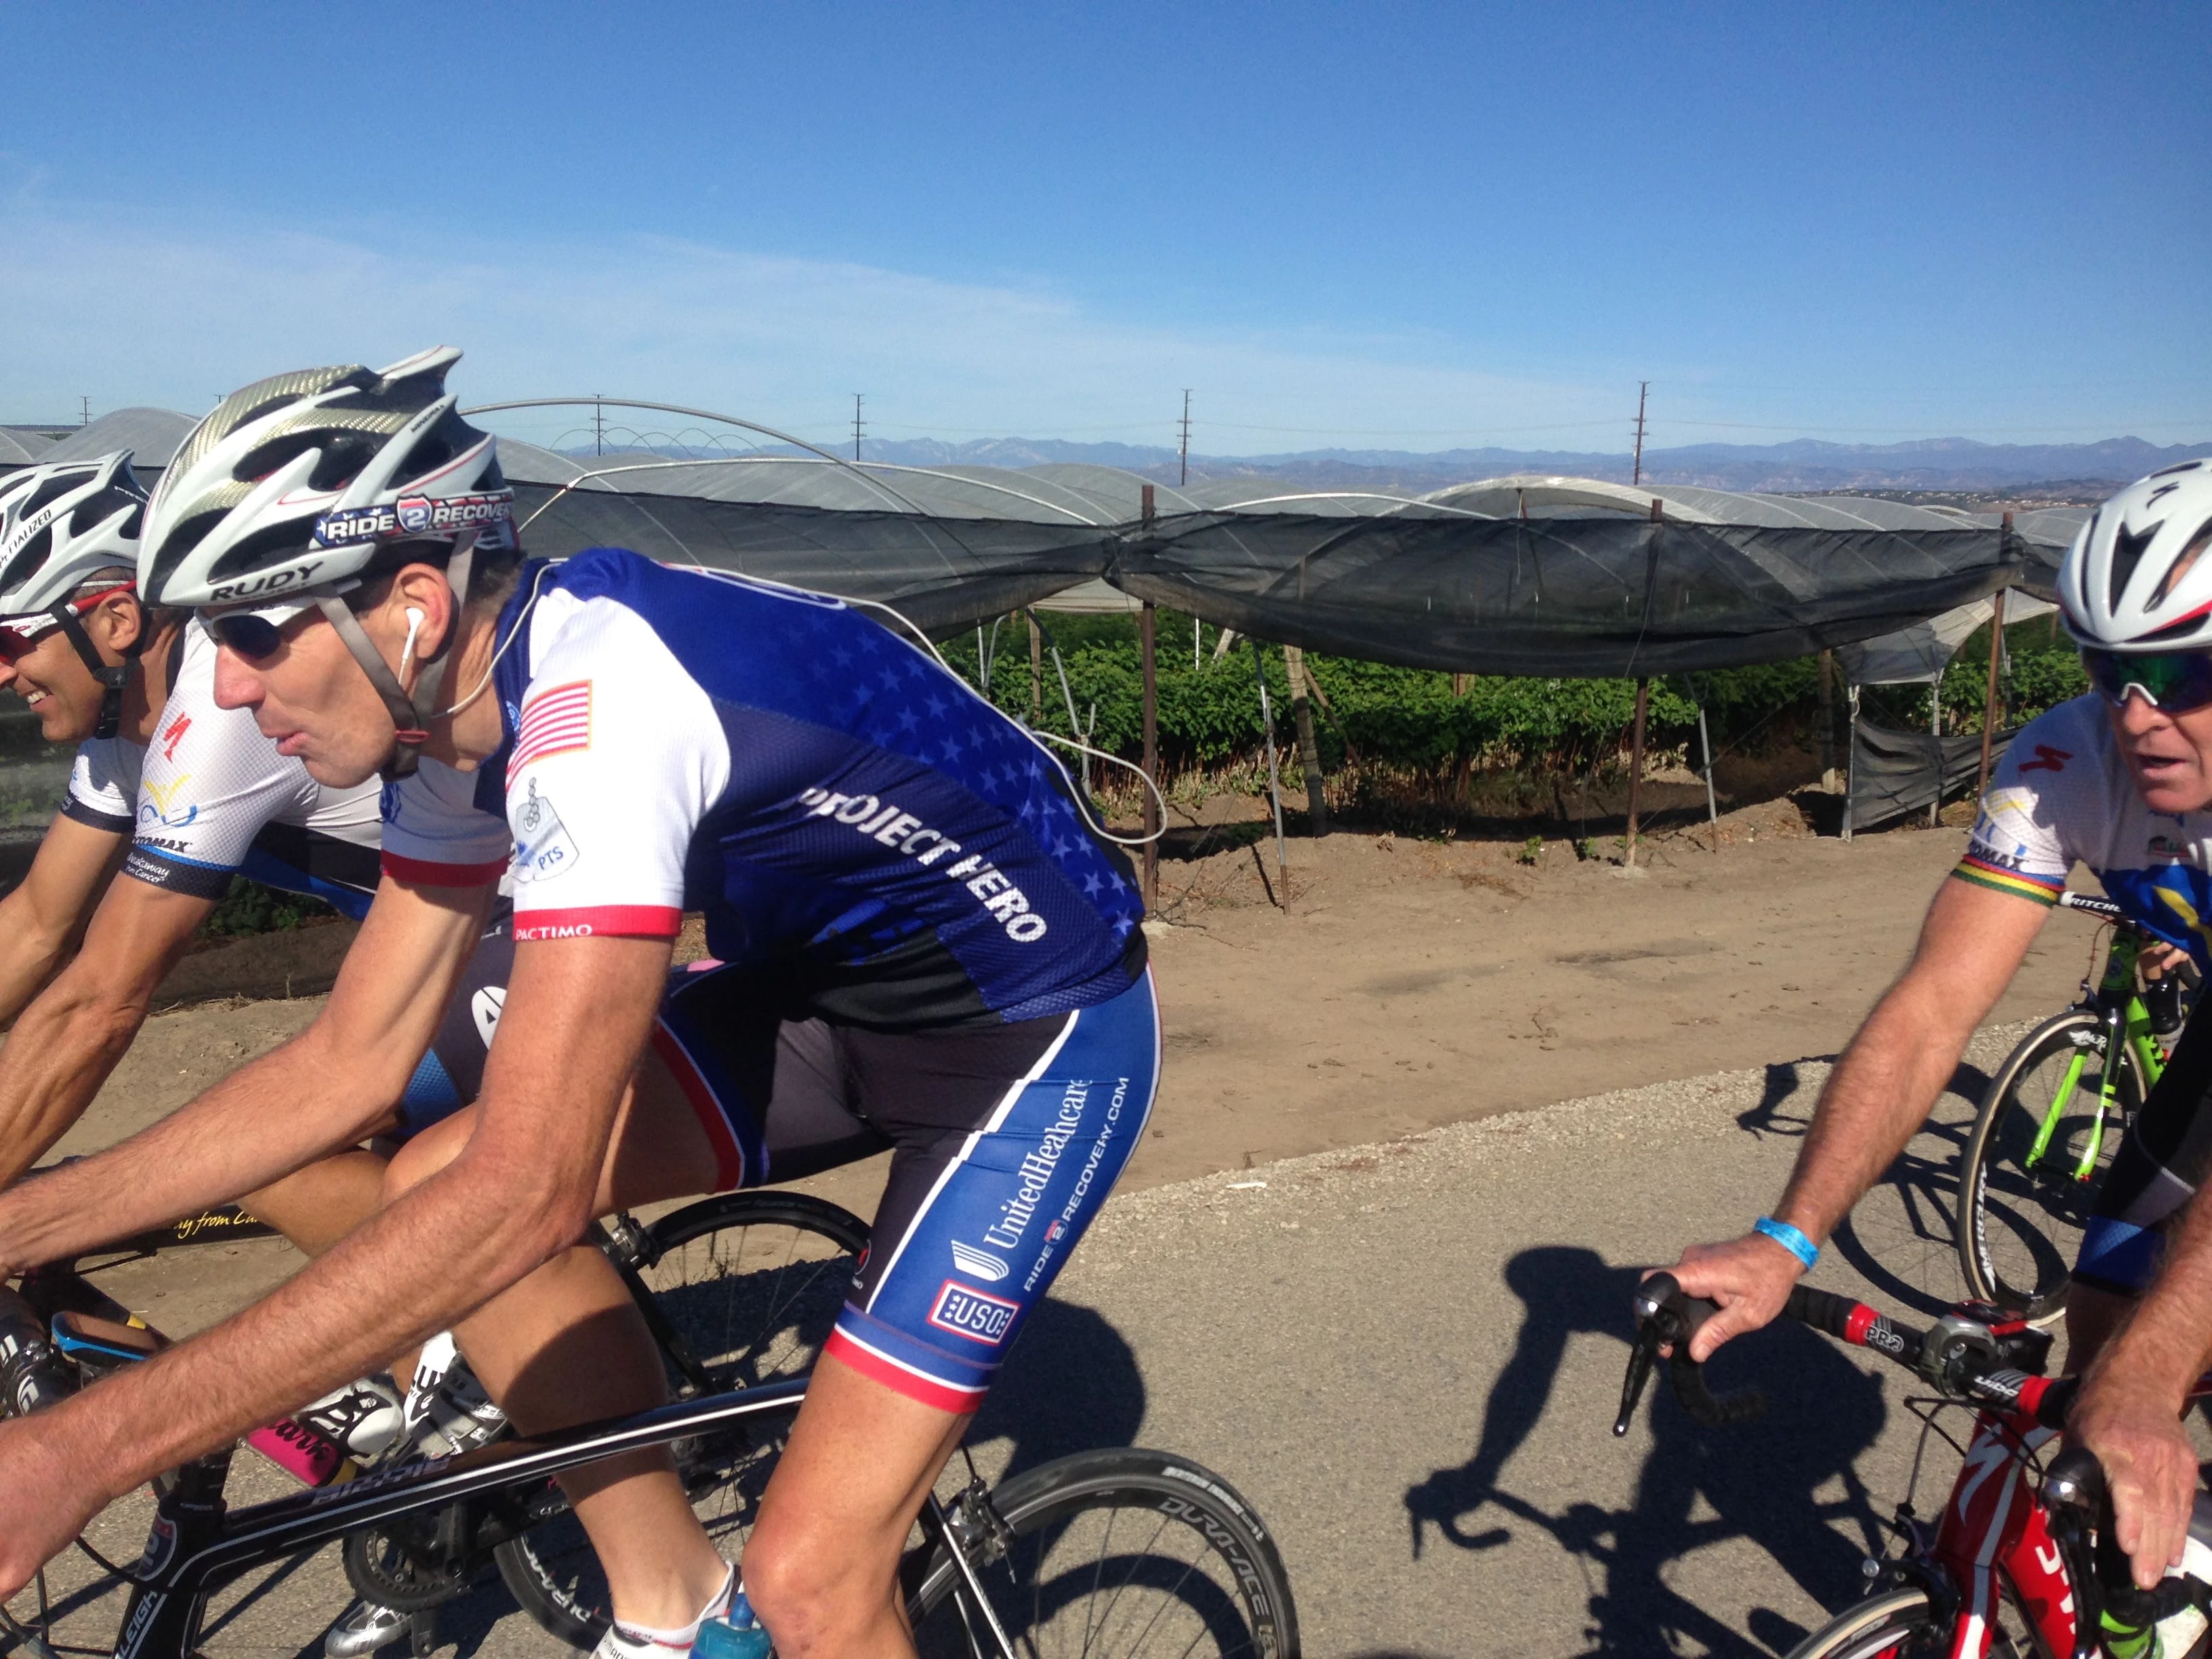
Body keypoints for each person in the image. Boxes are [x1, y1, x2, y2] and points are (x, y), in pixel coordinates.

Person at [0, 348, 1158, 1659]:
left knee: (819, 1581)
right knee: (427, 1169)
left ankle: (754, 1601)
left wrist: (79, 1451)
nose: (226, 687)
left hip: (1031, 1039)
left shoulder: (600, 713)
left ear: (415, 607)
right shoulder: (451, 730)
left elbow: (529, 1193)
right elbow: (348, 1064)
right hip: (824, 999)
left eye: (255, 634)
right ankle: (672, 1609)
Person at [1656, 459, 2212, 1592]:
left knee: (2154, 1367)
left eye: (2178, 667)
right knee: (2108, 1301)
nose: (2137, 711)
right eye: (2111, 667)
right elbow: (1933, 1007)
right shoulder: (2069, 757)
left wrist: (2156, 1385)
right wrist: (1790, 1238)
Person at [0, 451, 513, 1655]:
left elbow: (99, 1002)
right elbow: (29, 929)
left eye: (12, 637)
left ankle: (462, 1376)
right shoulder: (118, 741)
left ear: (115, 617)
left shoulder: (209, 730)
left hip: (516, 953)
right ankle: (436, 1368)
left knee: (266, 1145)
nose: (2, 671)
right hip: (432, 958)